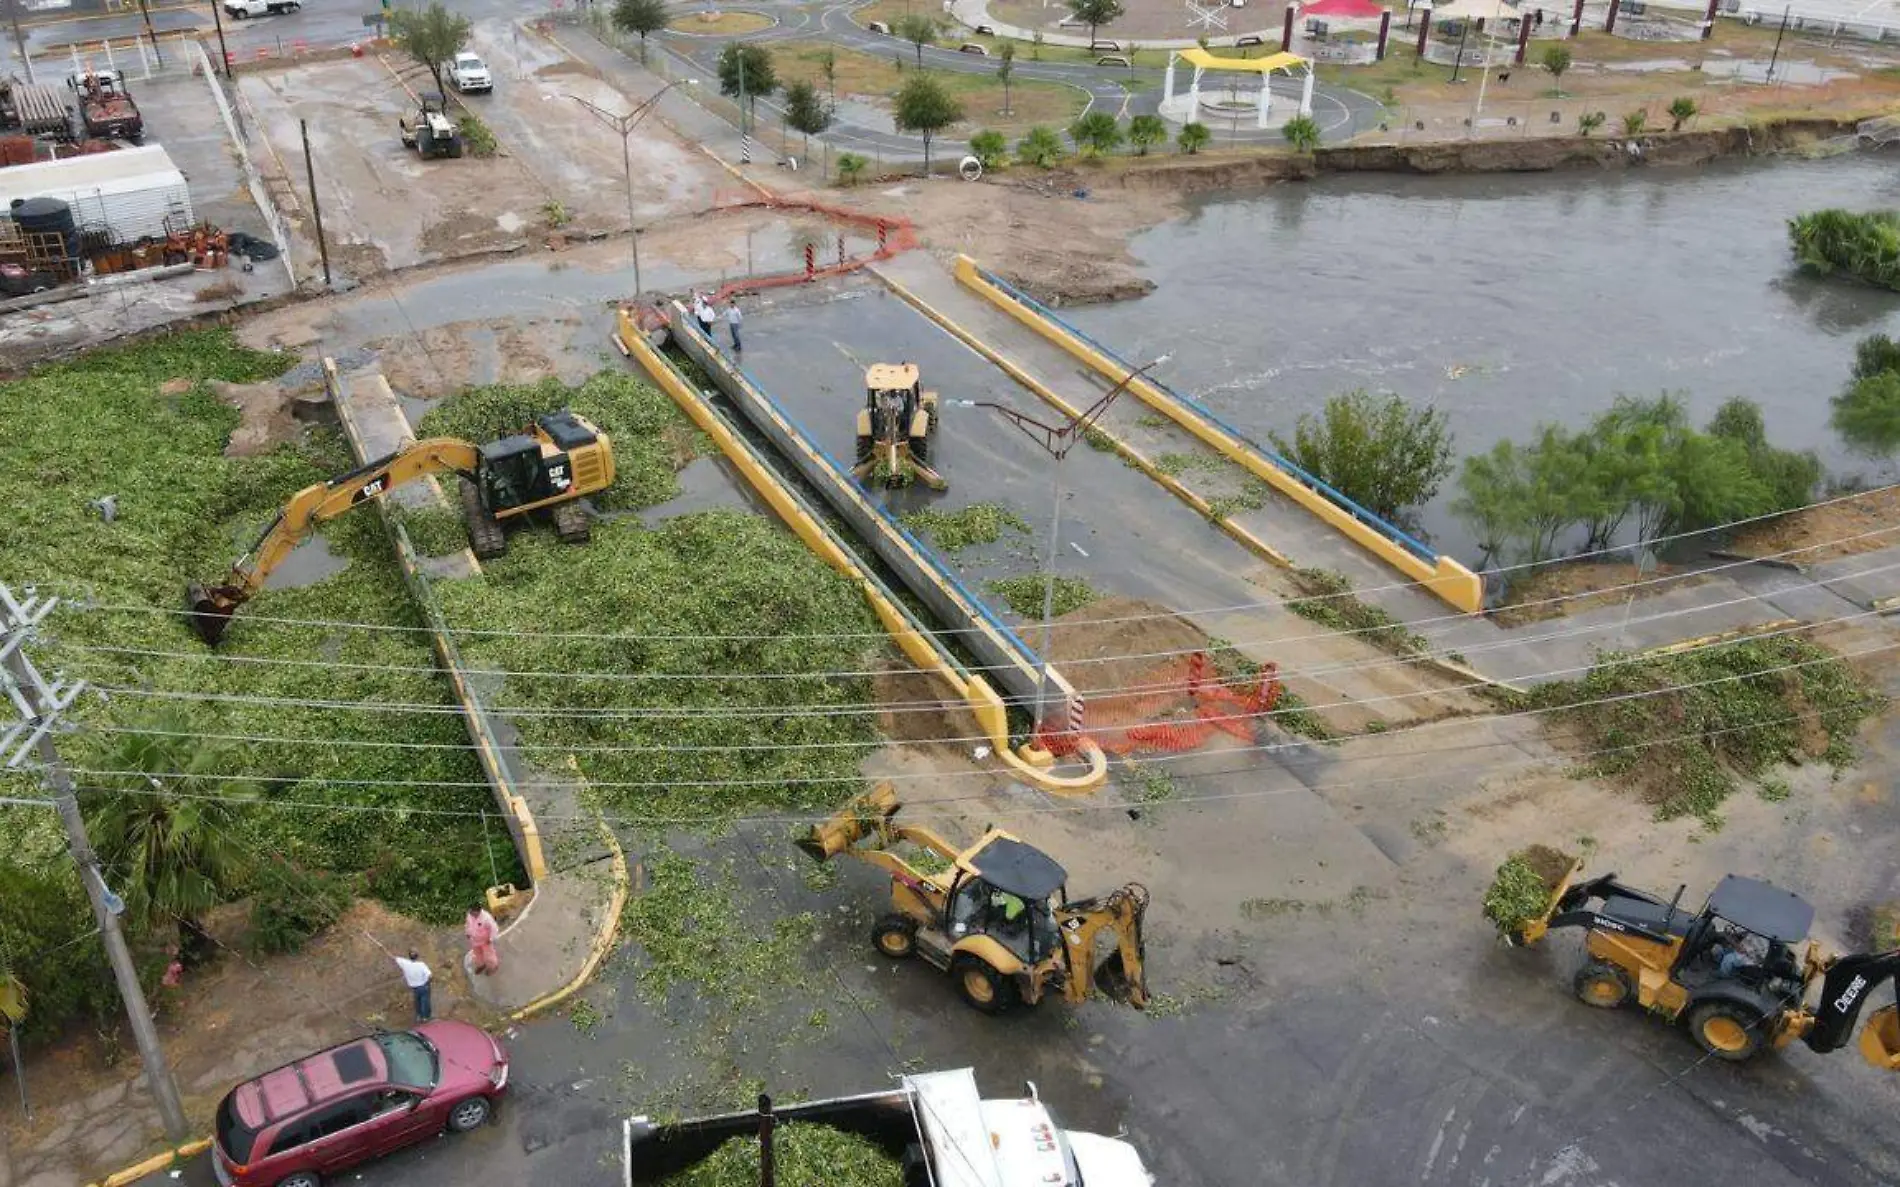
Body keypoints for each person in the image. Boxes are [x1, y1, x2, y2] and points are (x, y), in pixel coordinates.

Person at [394, 949, 433, 1021]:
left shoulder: (405, 963)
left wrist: (382, 948)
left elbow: (392, 956)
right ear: (417, 956)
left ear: (409, 956)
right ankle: (425, 1018)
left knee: (417, 1002)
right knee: (425, 1001)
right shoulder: (421, 965)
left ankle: (419, 1016)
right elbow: (430, 976)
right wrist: (428, 983)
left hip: (414, 988)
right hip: (424, 986)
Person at [466, 905, 501, 976]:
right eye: (470, 912)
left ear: (478, 911)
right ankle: (481, 965)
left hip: (485, 941)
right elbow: (468, 925)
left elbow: (494, 928)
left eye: (473, 912)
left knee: (489, 955)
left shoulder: (486, 918)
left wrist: (491, 939)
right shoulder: (470, 915)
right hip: (475, 940)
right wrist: (467, 933)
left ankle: (493, 967)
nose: (471, 913)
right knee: (477, 954)